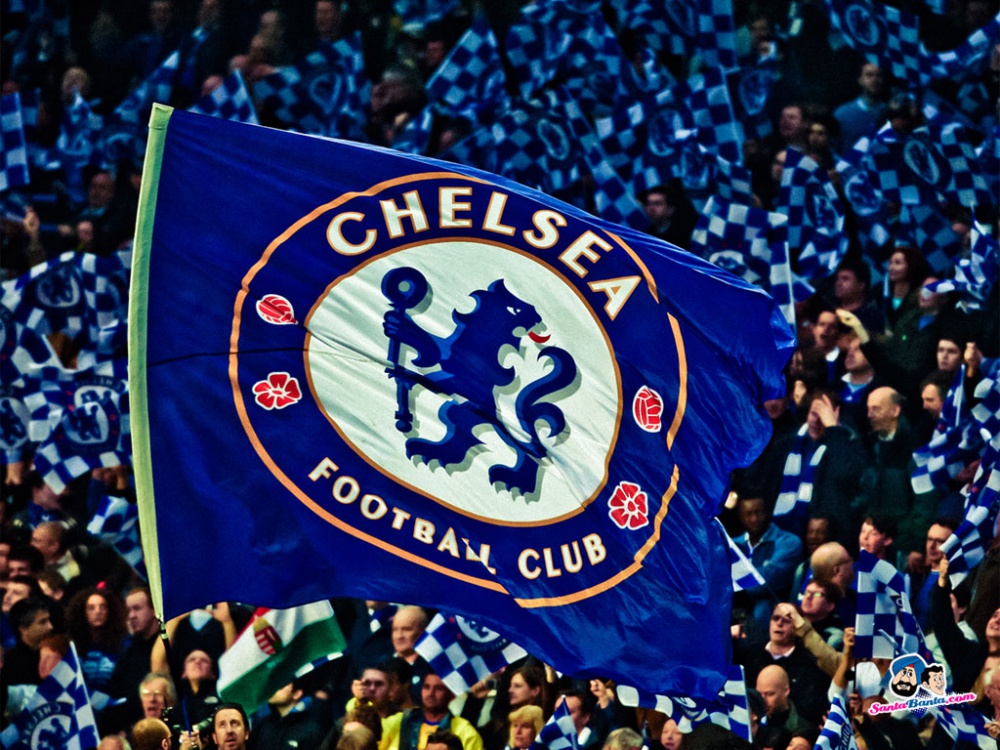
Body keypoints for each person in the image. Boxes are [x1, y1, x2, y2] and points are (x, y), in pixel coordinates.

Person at [732, 495, 802, 638]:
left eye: (758, 513)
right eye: (748, 514)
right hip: (735, 604)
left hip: (772, 607)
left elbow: (768, 579)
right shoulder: (733, 545)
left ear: (767, 513)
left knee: (763, 607)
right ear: (740, 517)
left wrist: (733, 584)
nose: (754, 519)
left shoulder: (789, 542)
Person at [383, 672, 483, 750]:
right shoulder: (399, 721)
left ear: (451, 695)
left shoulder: (465, 731)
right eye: (426, 687)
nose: (430, 693)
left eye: (438, 688)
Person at [248, 680, 331, 750]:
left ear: (296, 694)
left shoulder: (312, 729)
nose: (273, 690)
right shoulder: (264, 724)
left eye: (281, 687)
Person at [833, 62, 886, 150]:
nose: (874, 79)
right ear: (860, 80)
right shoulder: (842, 114)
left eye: (878, 75)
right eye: (869, 75)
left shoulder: (889, 113)